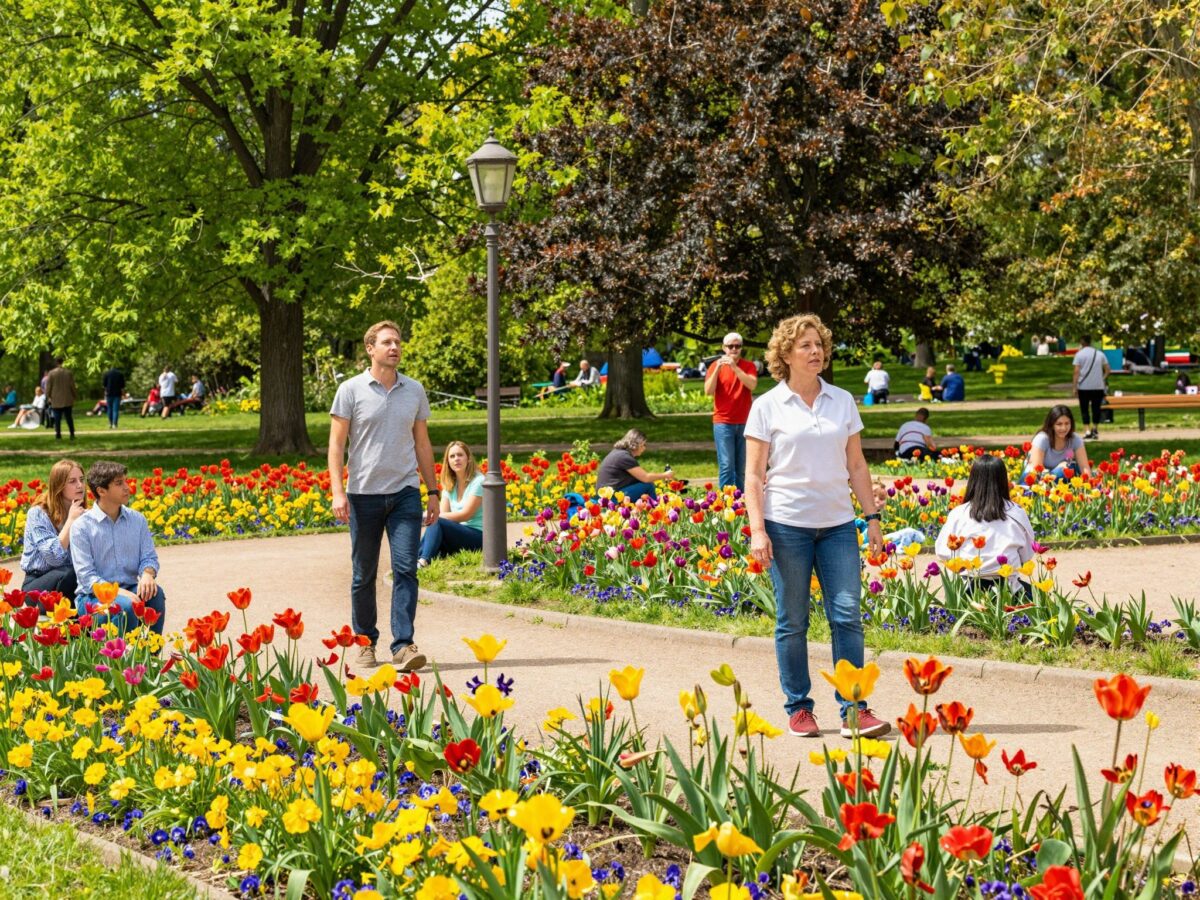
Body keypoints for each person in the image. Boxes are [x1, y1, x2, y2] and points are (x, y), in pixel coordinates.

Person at [744, 313, 890, 740]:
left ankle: (853, 709)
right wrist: (757, 529)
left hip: (838, 525)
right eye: (805, 345)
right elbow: (753, 476)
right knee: (793, 620)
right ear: (785, 354)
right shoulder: (766, 406)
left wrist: (873, 518)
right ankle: (799, 708)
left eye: (819, 345)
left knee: (847, 615)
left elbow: (857, 464)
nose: (816, 352)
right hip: (786, 524)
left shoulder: (842, 400)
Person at [329, 320, 439, 673]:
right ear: (370, 349)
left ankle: (403, 645)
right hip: (363, 495)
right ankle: (364, 642)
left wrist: (433, 490)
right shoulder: (350, 390)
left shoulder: (414, 390)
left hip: (405, 492)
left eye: (398, 342)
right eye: (387, 342)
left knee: (406, 569)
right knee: (364, 573)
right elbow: (336, 445)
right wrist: (337, 491)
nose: (395, 347)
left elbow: (422, 443)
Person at [71, 461, 166, 635]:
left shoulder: (138, 520)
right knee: (125, 607)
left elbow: (149, 557)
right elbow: (87, 577)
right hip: (93, 598)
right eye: (119, 483)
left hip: (131, 588)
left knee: (156, 594)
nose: (127, 487)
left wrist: (147, 574)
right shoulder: (82, 527)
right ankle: (121, 660)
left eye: (125, 481)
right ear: (101, 491)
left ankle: (151, 658)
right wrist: (119, 594)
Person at [935, 455, 1035, 597]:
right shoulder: (1016, 512)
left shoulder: (959, 513)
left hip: (967, 590)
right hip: (1008, 589)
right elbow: (1027, 554)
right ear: (1002, 480)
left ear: (973, 480)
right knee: (1044, 604)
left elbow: (943, 552)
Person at [20, 459, 87, 597]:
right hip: (38, 586)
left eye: (81, 479)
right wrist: (71, 520)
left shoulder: (84, 514)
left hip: (70, 582)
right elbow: (54, 558)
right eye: (72, 481)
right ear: (59, 485)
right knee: (71, 573)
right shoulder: (38, 514)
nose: (80, 485)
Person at [704, 331, 758, 492]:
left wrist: (734, 367)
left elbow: (752, 385)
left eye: (737, 346)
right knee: (727, 465)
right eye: (730, 346)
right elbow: (708, 390)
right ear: (723, 348)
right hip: (723, 423)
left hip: (745, 422)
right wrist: (717, 369)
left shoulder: (748, 366)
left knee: (741, 467)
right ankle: (726, 502)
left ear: (741, 348)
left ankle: (741, 501)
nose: (734, 349)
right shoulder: (715, 366)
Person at [417, 441, 484, 567]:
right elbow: (443, 514)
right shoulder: (450, 484)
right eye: (452, 456)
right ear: (448, 462)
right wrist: (435, 516)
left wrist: (430, 516)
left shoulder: (479, 481)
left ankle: (422, 560)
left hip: (478, 537)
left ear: (468, 458)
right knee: (437, 523)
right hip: (459, 534)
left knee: (437, 520)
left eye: (460, 455)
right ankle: (417, 560)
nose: (456, 459)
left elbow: (466, 515)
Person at [596, 429, 673, 503]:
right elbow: (646, 478)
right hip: (611, 499)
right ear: (636, 445)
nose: (644, 448)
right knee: (648, 485)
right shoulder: (624, 457)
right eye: (643, 445)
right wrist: (665, 475)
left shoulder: (618, 453)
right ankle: (655, 511)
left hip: (606, 496)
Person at [1023, 405, 1090, 481]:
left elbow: (1084, 467)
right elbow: (1036, 470)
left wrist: (1090, 485)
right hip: (1037, 480)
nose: (1064, 428)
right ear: (1051, 425)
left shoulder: (1075, 439)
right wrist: (1059, 469)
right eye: (1059, 424)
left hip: (1059, 480)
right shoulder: (1042, 439)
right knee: (1062, 470)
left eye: (1067, 423)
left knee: (1072, 468)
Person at [1072, 334, 1109, 440]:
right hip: (1098, 386)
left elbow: (1076, 372)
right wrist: (1102, 378)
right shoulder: (1100, 354)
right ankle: (1095, 429)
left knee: (1084, 409)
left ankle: (1087, 430)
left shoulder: (1079, 355)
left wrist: (1074, 387)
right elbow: (1107, 370)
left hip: (1084, 387)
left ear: (1082, 342)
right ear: (1091, 341)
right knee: (1096, 408)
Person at [44, 359, 77, 440]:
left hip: (56, 398)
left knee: (57, 418)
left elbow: (48, 387)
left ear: (56, 363)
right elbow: (72, 385)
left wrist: (47, 396)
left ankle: (58, 434)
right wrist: (75, 395)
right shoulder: (68, 372)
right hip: (67, 398)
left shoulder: (51, 373)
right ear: (63, 362)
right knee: (69, 417)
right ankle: (72, 433)